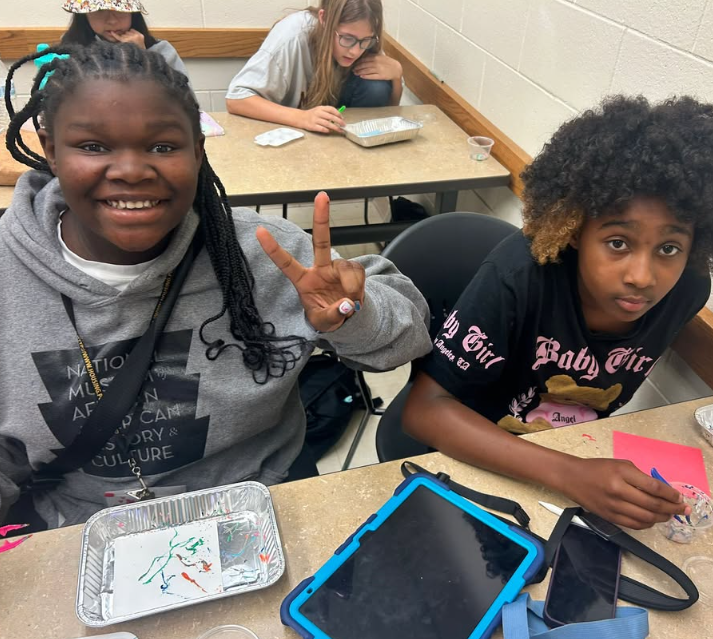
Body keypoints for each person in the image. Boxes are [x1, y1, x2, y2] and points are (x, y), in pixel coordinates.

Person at [0, 41, 430, 531]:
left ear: (199, 151)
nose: (132, 171)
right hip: (81, 527)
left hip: (263, 499)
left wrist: (357, 318)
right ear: (50, 149)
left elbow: (409, 336)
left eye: (163, 146)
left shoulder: (265, 252)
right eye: (93, 146)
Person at [402, 95, 713, 530]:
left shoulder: (686, 289)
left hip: (575, 453)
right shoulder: (519, 274)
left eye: (669, 248)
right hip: (477, 459)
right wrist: (571, 475)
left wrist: (580, 472)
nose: (642, 276)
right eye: (618, 242)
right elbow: (423, 410)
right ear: (575, 230)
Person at [226, 0, 403, 133]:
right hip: (290, 126)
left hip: (334, 126)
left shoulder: (366, 40)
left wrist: (396, 77)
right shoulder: (292, 36)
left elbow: (389, 110)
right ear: (324, 19)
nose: (355, 51)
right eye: (347, 38)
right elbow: (236, 99)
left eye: (364, 40)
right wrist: (302, 117)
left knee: (377, 87)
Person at [60, 0, 190, 79]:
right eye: (100, 10)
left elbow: (184, 102)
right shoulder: (69, 50)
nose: (112, 20)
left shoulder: (161, 50)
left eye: (120, 10)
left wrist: (142, 57)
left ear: (133, 13)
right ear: (84, 16)